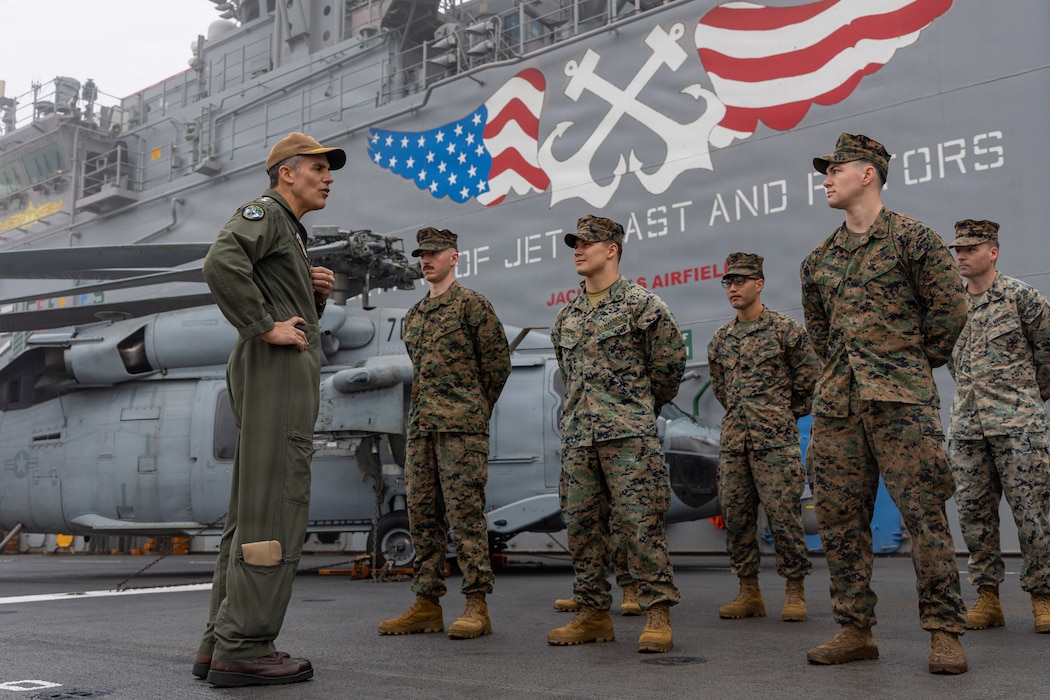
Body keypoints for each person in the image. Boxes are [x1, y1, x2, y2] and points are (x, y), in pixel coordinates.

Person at [800, 132, 969, 674]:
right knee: (839, 519)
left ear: (867, 173)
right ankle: (854, 629)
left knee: (924, 514)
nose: (825, 178)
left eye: (834, 169)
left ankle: (944, 632)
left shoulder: (914, 240)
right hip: (837, 408)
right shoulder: (819, 260)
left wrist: (910, 364)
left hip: (902, 403)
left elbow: (949, 312)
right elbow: (821, 334)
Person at [194, 132, 344, 687]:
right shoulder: (267, 214)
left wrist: (310, 294)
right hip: (276, 369)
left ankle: (218, 641)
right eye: (319, 168)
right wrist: (264, 325)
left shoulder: (288, 231)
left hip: (274, 367)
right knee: (278, 503)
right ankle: (246, 646)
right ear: (286, 172)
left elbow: (257, 277)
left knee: (250, 509)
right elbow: (221, 261)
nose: (328, 178)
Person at [547, 215, 685, 653]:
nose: (578, 249)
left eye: (587, 242)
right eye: (575, 243)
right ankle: (592, 614)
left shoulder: (643, 306)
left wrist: (636, 412)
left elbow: (667, 368)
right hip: (579, 437)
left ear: (612, 249)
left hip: (628, 437)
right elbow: (569, 375)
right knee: (582, 526)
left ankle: (657, 613)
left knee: (640, 525)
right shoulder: (566, 317)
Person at [378, 227, 511, 640]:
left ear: (454, 257)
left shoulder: (472, 305)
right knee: (422, 516)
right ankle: (427, 603)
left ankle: (476, 604)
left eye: (435, 253)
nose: (426, 259)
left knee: (465, 516)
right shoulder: (414, 317)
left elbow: (497, 366)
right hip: (422, 431)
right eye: (422, 254)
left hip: (461, 430)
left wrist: (473, 409)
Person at [946, 218, 1050, 634]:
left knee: (1034, 516)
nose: (962, 256)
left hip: (1018, 426)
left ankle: (1043, 598)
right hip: (968, 429)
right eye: (959, 249)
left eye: (972, 248)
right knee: (974, 515)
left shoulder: (1023, 298)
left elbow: (1047, 357)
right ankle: (987, 597)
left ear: (993, 251)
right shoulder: (951, 305)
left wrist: (1022, 401)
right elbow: (952, 359)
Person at [707, 252, 819, 622]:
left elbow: (808, 384)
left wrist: (778, 415)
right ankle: (749, 591)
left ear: (759, 284)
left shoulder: (786, 332)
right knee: (737, 518)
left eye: (741, 280)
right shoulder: (721, 340)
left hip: (775, 443)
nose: (733, 287)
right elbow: (723, 390)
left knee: (784, 517)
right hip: (735, 444)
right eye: (728, 281)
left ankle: (794, 592)